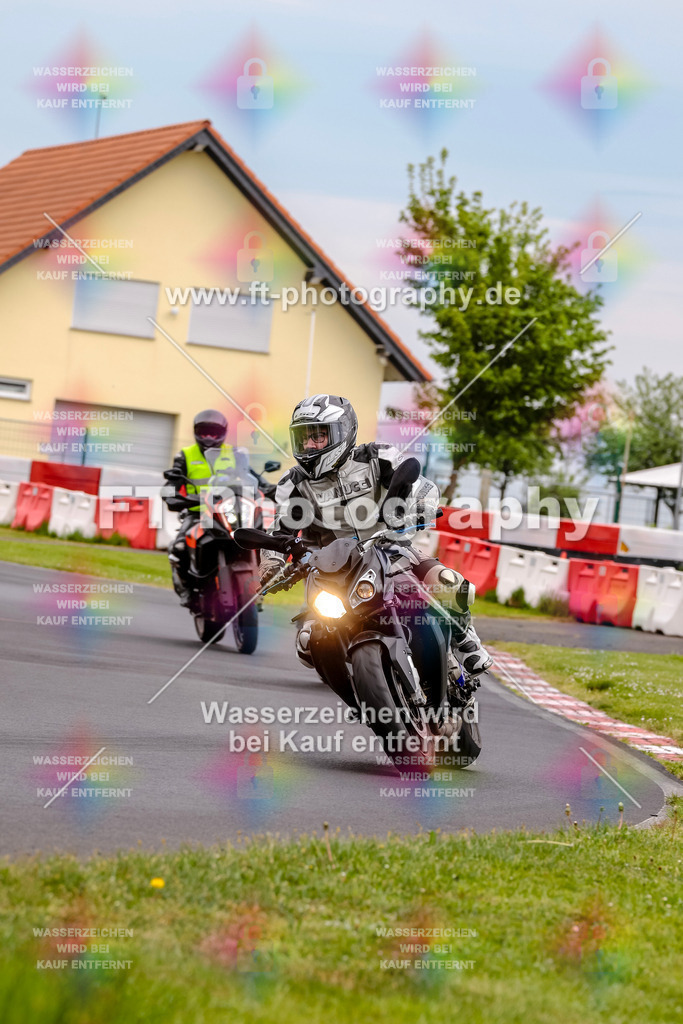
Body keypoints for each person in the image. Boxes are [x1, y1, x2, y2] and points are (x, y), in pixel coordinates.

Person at [259, 394, 492, 677]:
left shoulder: (377, 457)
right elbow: (278, 532)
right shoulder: (293, 483)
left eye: (319, 436)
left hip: (392, 551)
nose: (310, 445)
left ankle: (464, 638)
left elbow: (421, 485)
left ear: (344, 431)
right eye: (304, 438)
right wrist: (271, 563)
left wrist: (420, 508)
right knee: (308, 643)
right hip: (331, 570)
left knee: (449, 583)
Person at [162, 409, 239, 605]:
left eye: (213, 433)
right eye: (204, 432)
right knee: (179, 547)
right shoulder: (185, 455)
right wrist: (173, 497)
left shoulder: (234, 454)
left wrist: (271, 488)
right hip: (197, 513)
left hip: (230, 511)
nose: (209, 437)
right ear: (196, 432)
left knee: (257, 537)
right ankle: (188, 589)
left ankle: (255, 585)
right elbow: (171, 483)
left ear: (222, 433)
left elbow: (255, 478)